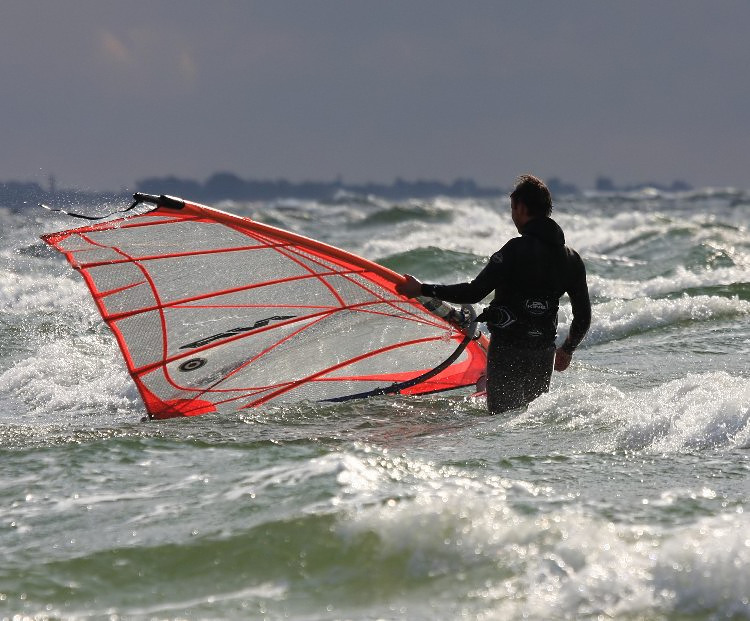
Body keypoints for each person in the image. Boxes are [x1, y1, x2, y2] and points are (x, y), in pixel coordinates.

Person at [396, 174, 591, 414]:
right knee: (530, 419)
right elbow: (583, 316)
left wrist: (423, 289)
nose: (512, 216)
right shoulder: (571, 259)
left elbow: (474, 292)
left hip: (508, 349)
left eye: (513, 208)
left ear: (521, 207)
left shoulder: (514, 250)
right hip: (542, 352)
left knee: (500, 418)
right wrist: (567, 349)